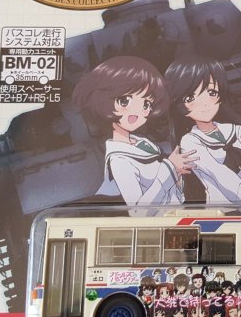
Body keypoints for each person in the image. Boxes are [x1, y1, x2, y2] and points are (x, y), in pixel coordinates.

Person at [72, 56, 197, 211]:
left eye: (146, 104)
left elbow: (168, 190)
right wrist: (170, 169)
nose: (137, 111)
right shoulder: (119, 160)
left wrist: (177, 174)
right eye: (125, 101)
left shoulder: (142, 143)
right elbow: (139, 212)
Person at [164, 57, 241, 206]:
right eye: (190, 98)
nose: (204, 104)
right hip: (222, 209)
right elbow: (217, 173)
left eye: (211, 92)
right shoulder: (190, 141)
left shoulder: (236, 130)